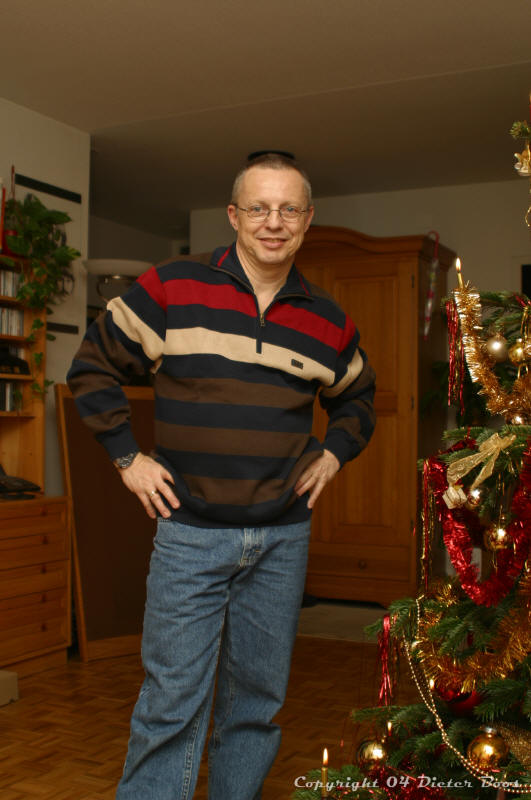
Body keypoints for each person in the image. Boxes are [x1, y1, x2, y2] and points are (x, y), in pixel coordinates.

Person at [67, 152, 376, 800]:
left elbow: (357, 397)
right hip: (190, 533)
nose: (273, 222)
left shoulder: (327, 319)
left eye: (288, 209)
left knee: (256, 706)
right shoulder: (172, 287)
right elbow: (92, 367)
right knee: (171, 702)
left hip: (282, 538)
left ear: (307, 220)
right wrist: (127, 458)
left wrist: (333, 453)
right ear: (234, 215)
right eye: (258, 208)